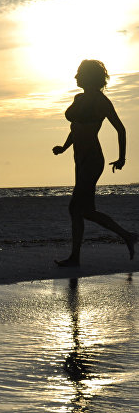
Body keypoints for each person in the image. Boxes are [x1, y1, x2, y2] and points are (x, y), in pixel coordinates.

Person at [52, 59, 137, 267]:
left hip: (92, 159)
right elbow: (75, 127)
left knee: (75, 207)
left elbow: (121, 129)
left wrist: (122, 158)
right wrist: (64, 147)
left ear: (89, 76)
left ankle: (76, 257)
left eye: (79, 73)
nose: (75, 77)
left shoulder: (101, 101)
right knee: (85, 210)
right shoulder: (78, 98)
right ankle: (126, 236)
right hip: (79, 159)